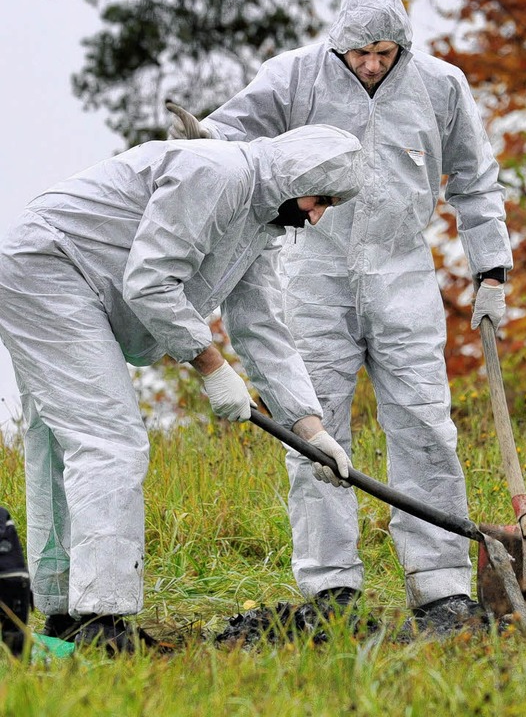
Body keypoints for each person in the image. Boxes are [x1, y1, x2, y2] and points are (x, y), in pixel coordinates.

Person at [168, 0, 513, 631]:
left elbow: (474, 178)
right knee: (316, 430)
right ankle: (332, 593)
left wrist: (491, 272)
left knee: (425, 425)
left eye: (385, 53)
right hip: (313, 274)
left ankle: (441, 588)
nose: (372, 64)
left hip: (404, 273)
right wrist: (201, 141)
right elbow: (235, 137)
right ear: (339, 48)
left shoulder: (441, 85)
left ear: (401, 48)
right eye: (361, 54)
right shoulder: (294, 76)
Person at [0, 124, 365, 652]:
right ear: (295, 175)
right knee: (109, 440)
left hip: (66, 279)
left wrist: (310, 428)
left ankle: (65, 613)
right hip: (48, 269)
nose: (317, 214)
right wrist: (213, 367)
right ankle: (100, 622)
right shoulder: (217, 173)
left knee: (62, 440)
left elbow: (262, 328)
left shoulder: (260, 222)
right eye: (320, 198)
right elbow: (150, 281)